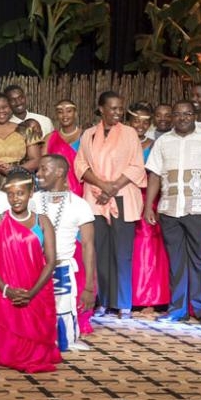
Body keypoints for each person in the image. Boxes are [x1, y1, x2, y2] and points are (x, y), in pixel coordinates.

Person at [146, 100, 201, 326]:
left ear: (194, 116)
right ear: (172, 116)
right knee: (176, 261)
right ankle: (177, 310)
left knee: (200, 260)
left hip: (199, 209)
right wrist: (148, 207)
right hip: (169, 210)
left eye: (187, 114)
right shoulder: (163, 141)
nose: (183, 117)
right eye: (178, 114)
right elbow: (154, 175)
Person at [0, 171, 60, 373]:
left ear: (31, 193)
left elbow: (51, 261)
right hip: (5, 292)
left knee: (37, 353)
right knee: (4, 352)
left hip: (35, 290)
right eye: (11, 194)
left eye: (20, 193)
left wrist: (32, 293)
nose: (15, 199)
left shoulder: (43, 221)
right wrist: (6, 290)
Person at [75, 91, 146, 319]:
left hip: (122, 196)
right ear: (101, 109)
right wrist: (102, 186)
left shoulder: (129, 133)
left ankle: (123, 303)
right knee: (100, 251)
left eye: (120, 108)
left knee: (122, 252)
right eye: (113, 108)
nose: (117, 112)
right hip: (95, 199)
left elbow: (136, 165)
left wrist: (112, 188)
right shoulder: (88, 134)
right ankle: (103, 301)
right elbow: (81, 165)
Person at [33, 155, 96, 351]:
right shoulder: (32, 200)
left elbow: (88, 245)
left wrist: (88, 287)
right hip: (35, 266)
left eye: (44, 169)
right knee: (35, 309)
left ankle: (64, 340)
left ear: (59, 172)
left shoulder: (79, 205)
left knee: (62, 310)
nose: (38, 174)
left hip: (62, 267)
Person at [128, 103, 170, 311]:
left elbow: (159, 174)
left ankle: (150, 299)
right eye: (137, 120)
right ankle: (130, 297)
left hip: (149, 198)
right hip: (126, 197)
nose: (141, 125)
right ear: (129, 121)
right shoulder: (122, 142)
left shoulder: (156, 145)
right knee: (130, 249)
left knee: (149, 248)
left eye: (146, 122)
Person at [43, 100, 83, 196]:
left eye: (69, 111)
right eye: (60, 112)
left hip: (82, 188)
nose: (65, 115)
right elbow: (43, 165)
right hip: (56, 190)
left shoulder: (85, 135)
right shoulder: (49, 138)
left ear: (76, 113)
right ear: (56, 115)